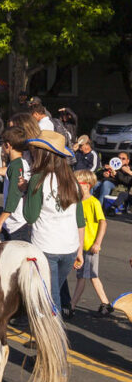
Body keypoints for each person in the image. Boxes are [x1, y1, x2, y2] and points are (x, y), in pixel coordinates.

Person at [23, 130, 85, 316]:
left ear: (43, 154)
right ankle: (43, 328)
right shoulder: (72, 180)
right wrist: (80, 250)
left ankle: (54, 333)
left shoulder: (38, 179)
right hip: (70, 247)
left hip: (46, 246)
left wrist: (25, 192)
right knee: (51, 292)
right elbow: (79, 220)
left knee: (50, 300)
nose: (33, 153)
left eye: (36, 150)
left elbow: (30, 216)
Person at [71, 170, 112, 317]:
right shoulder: (76, 202)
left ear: (87, 185)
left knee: (82, 277)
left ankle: (72, 305)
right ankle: (105, 303)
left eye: (78, 184)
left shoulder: (93, 202)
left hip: (89, 247)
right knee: (92, 276)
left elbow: (103, 223)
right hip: (80, 246)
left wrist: (97, 243)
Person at [0, 125, 33, 241]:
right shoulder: (19, 163)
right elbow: (5, 187)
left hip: (16, 225)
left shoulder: (16, 166)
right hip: (11, 222)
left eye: (2, 143)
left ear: (8, 145)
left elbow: (14, 196)